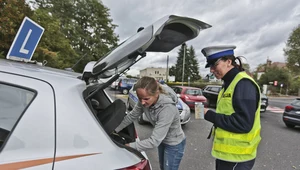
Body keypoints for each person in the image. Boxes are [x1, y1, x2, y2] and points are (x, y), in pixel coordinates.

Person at [201, 45, 261, 170]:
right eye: (210, 66)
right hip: (229, 156)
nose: (212, 70)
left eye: (214, 65)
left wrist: (209, 115)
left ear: (228, 62)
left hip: (238, 158)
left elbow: (243, 123)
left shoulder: (243, 83)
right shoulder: (228, 83)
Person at [114, 76, 186, 170]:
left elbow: (154, 141)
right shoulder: (143, 100)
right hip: (162, 140)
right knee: (162, 167)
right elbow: (131, 116)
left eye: (146, 99)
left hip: (174, 144)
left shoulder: (167, 109)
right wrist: (114, 130)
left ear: (156, 93)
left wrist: (128, 146)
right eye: (140, 98)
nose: (142, 102)